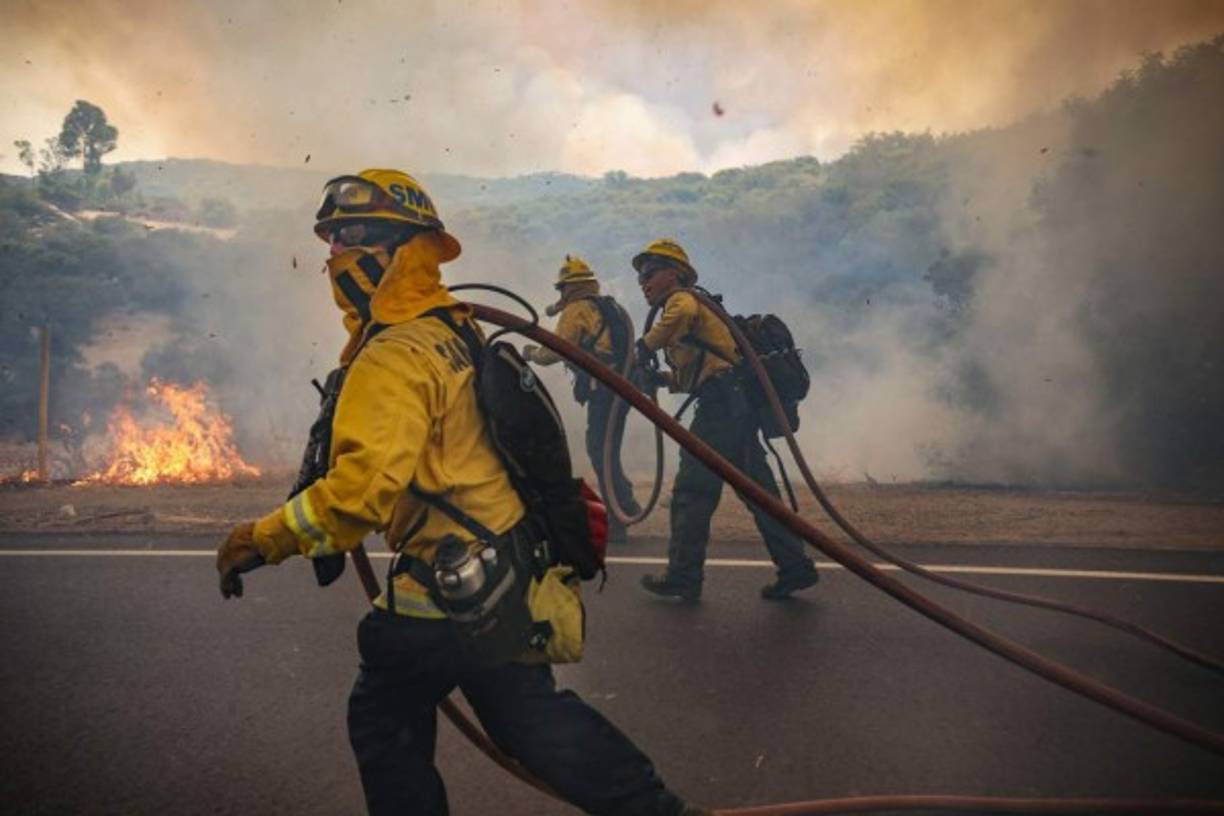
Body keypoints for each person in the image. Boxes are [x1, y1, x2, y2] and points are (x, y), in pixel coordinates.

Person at [214, 170, 699, 816]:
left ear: (391, 250)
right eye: (330, 240)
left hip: (446, 588)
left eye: (346, 237)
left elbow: (357, 499)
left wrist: (258, 540)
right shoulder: (453, 329)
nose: (332, 255)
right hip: (502, 574)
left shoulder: (392, 356)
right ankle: (656, 809)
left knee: (383, 713)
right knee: (530, 722)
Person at [631, 238, 819, 603]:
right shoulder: (692, 309)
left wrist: (644, 348)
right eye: (641, 276)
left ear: (675, 274)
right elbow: (695, 376)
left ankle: (683, 575)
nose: (643, 282)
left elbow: (679, 317)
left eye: (650, 273)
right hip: (734, 405)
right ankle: (795, 567)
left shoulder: (683, 300)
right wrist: (660, 380)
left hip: (721, 410)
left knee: (692, 492)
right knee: (760, 493)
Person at [523, 255, 642, 543]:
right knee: (606, 449)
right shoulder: (605, 306)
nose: (560, 295)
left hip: (605, 389)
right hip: (621, 387)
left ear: (570, 288)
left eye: (562, 289)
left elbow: (554, 351)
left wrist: (531, 353)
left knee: (599, 449)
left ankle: (619, 516)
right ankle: (625, 503)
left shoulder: (577, 309)